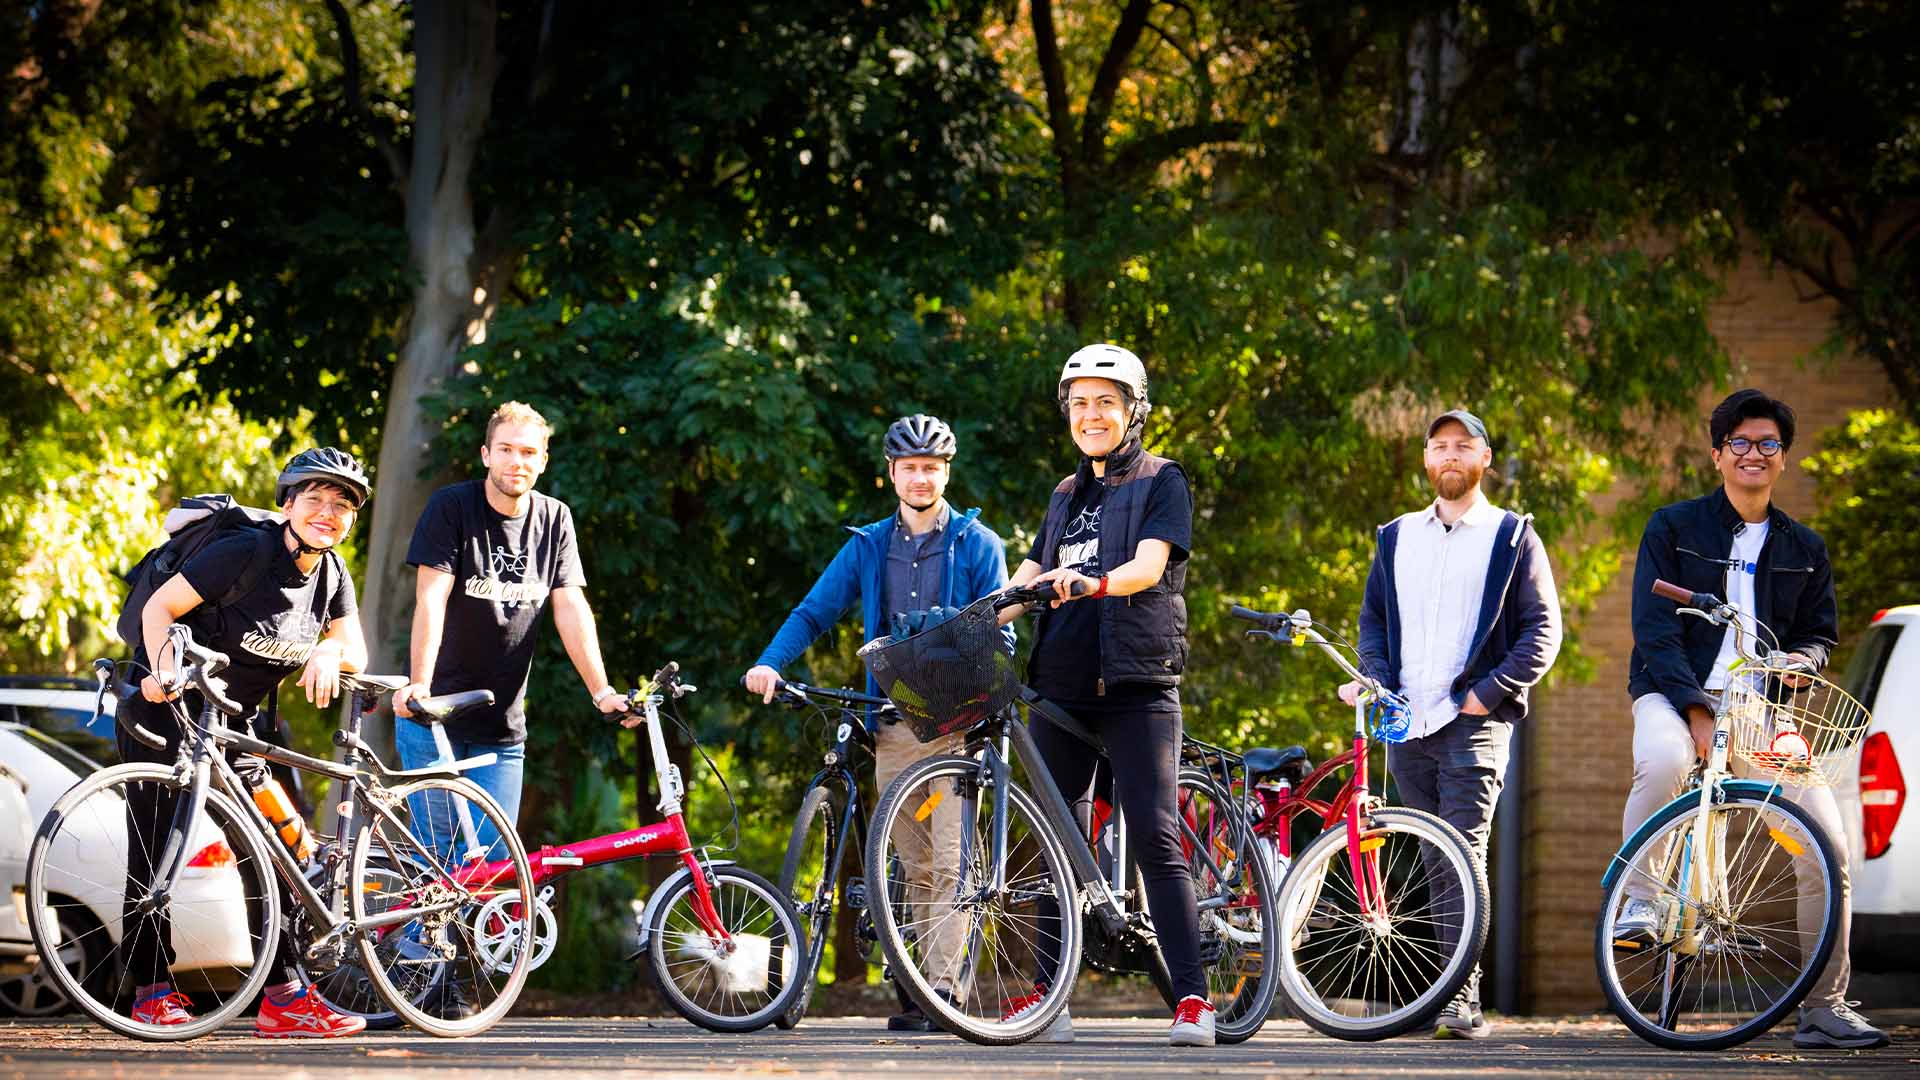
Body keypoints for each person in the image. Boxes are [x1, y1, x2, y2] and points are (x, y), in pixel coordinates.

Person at [1619, 388, 1886, 1050]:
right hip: (1671, 694)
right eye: (1739, 443)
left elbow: (1821, 633)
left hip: (1759, 711)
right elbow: (1654, 631)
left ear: (1783, 458)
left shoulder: (1805, 546)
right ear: (1717, 455)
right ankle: (1643, 900)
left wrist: (1805, 659)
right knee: (1666, 760)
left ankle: (1824, 1006)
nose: (1753, 454)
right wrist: (1694, 711)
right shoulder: (1673, 527)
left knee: (1823, 845)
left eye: (1768, 444)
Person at [744, 413, 1012, 1033]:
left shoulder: (979, 544)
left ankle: (943, 990)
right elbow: (815, 611)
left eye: (932, 468)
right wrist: (768, 663)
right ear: (891, 473)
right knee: (912, 857)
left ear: (947, 472)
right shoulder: (868, 545)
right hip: (893, 725)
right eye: (910, 468)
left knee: (949, 855)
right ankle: (920, 984)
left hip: (954, 725)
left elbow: (1004, 626)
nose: (921, 478)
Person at [996, 344, 1212, 1047]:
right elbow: (1030, 570)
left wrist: (1093, 582)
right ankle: (1049, 995)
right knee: (1055, 842)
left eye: (1105, 402)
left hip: (1135, 684)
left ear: (1132, 411)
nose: (1091, 415)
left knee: (1154, 835)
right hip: (1060, 685)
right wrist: (976, 614)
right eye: (1079, 403)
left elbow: (1150, 566)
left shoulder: (1161, 481)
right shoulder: (1064, 493)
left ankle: (1192, 1002)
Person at [122, 447, 374, 1037]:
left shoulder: (332, 575)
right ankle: (151, 992)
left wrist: (327, 649)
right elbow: (162, 608)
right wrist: (162, 673)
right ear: (288, 504)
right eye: (314, 499)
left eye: (341, 506)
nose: (327, 513)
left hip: (237, 728)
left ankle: (284, 997)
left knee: (276, 854)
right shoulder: (244, 552)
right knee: (158, 849)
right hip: (166, 712)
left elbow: (355, 651)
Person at [1343, 408, 1563, 1040]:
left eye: (1462, 447)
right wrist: (1379, 681)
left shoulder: (1512, 535)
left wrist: (1486, 694)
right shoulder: (1395, 537)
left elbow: (1543, 631)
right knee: (1430, 861)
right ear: (1425, 459)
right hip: (1406, 725)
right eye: (1438, 447)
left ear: (1484, 459)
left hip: (1473, 723)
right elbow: (1374, 624)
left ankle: (1460, 1000)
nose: (1449, 456)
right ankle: (1441, 993)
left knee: (1462, 856)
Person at [393, 400, 632, 867]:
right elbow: (431, 599)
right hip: (432, 717)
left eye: (527, 452)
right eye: (505, 449)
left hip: (501, 727)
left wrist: (601, 691)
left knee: (493, 869)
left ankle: (466, 944)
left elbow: (570, 606)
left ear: (543, 460)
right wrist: (418, 683)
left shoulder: (555, 519)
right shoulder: (452, 507)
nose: (515, 461)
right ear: (486, 454)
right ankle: (415, 944)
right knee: (435, 866)